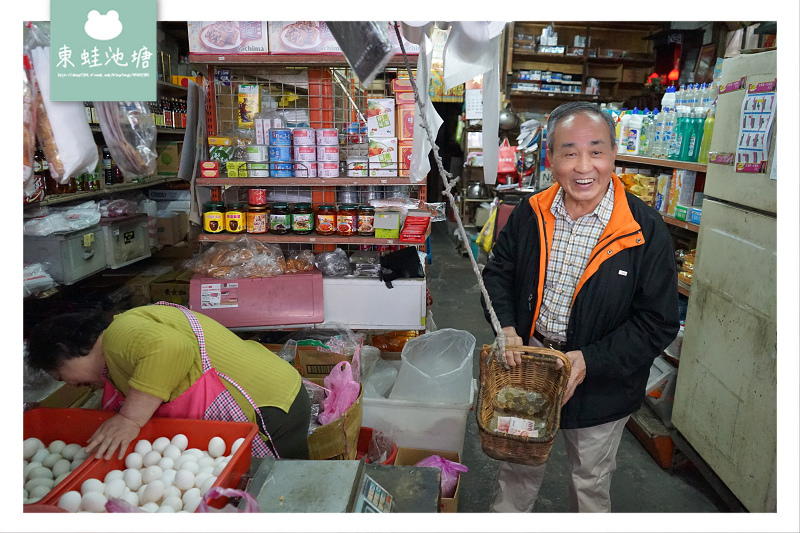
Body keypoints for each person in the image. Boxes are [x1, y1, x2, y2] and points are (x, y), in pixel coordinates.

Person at [480, 101, 679, 512]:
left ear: (613, 155)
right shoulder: (531, 213)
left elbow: (657, 321)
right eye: (569, 152)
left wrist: (589, 360)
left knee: (589, 480)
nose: (583, 166)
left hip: (602, 381)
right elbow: (498, 275)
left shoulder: (644, 230)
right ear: (550, 158)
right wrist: (509, 329)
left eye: (596, 151)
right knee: (517, 469)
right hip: (530, 364)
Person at [26, 302, 311, 461]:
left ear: (65, 352)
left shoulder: (119, 334)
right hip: (275, 397)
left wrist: (130, 419)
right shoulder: (118, 355)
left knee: (281, 486)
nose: (73, 386)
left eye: (62, 377)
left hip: (269, 407)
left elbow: (172, 347)